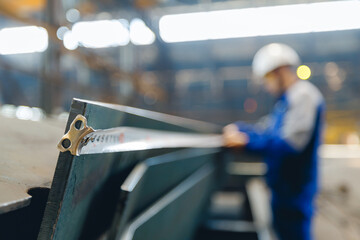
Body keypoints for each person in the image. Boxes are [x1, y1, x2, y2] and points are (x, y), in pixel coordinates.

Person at [223, 43, 325, 240]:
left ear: (280, 71)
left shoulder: (303, 95)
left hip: (295, 191)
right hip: (284, 190)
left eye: (267, 78)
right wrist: (240, 128)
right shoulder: (285, 101)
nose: (266, 85)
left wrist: (245, 142)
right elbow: (266, 131)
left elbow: (288, 144)